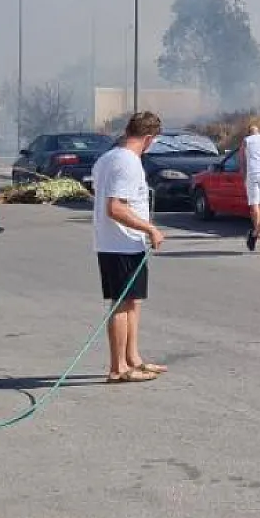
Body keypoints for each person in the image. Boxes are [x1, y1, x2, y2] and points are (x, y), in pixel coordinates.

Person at [91, 111, 167, 384]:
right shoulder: (127, 162)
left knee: (132, 301)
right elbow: (115, 207)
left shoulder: (108, 158)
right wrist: (150, 228)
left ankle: (133, 358)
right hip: (119, 243)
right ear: (148, 138)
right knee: (121, 304)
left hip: (125, 244)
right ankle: (118, 368)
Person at [240, 123, 260, 252]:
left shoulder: (246, 141)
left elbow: (242, 161)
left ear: (249, 133)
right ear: (259, 131)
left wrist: (244, 177)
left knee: (254, 203)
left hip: (252, 174)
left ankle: (257, 230)